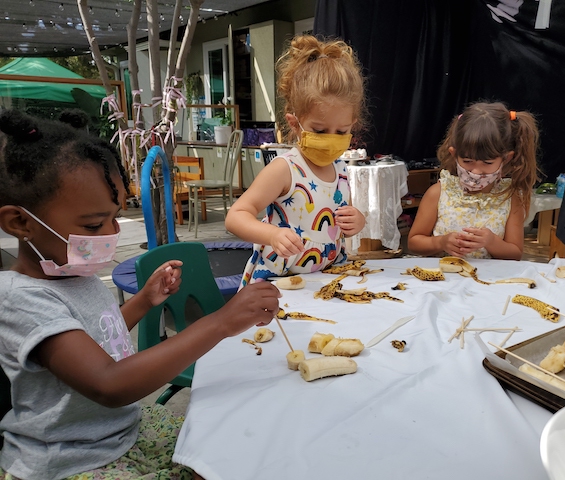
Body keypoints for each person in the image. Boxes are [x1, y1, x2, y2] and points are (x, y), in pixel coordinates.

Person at [0, 109, 280, 480]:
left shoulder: (74, 272)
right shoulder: (20, 300)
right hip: (71, 460)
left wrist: (144, 300)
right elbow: (108, 383)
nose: (111, 233)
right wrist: (219, 323)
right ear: (20, 223)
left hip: (123, 431)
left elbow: (98, 334)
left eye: (114, 217)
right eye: (93, 225)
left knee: (226, 446)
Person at [225, 35, 366, 285]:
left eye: (342, 131)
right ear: (295, 124)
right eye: (320, 131)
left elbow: (341, 215)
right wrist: (271, 235)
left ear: (352, 125)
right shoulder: (285, 169)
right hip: (279, 284)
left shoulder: (341, 169)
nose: (331, 139)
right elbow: (236, 216)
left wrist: (357, 219)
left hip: (325, 280)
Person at [408, 102, 540, 260]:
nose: (476, 171)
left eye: (487, 163)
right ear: (454, 154)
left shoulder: (509, 198)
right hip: (443, 274)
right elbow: (414, 243)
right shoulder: (439, 193)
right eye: (467, 161)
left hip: (489, 276)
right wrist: (441, 242)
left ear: (506, 158)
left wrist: (491, 242)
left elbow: (515, 254)